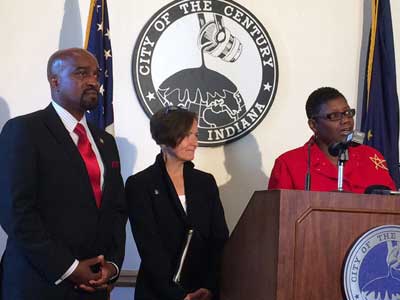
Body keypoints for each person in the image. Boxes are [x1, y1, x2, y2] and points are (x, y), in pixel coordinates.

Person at [0, 48, 126, 300]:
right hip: (38, 285)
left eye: (95, 74)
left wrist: (111, 265)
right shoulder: (24, 130)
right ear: (54, 81)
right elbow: (15, 212)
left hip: (95, 287)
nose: (93, 81)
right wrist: (69, 269)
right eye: (81, 73)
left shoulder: (105, 141)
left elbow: (116, 210)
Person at [126, 106, 229, 300]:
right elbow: (149, 248)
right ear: (165, 137)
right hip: (158, 293)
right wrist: (179, 296)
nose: (195, 143)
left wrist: (209, 286)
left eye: (196, 135)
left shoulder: (205, 183)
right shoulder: (140, 185)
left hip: (204, 292)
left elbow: (219, 238)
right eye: (186, 135)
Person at [268, 87, 396, 193]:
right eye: (334, 116)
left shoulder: (371, 157)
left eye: (347, 113)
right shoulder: (288, 164)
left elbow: (391, 209)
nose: (346, 120)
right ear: (313, 125)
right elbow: (279, 216)